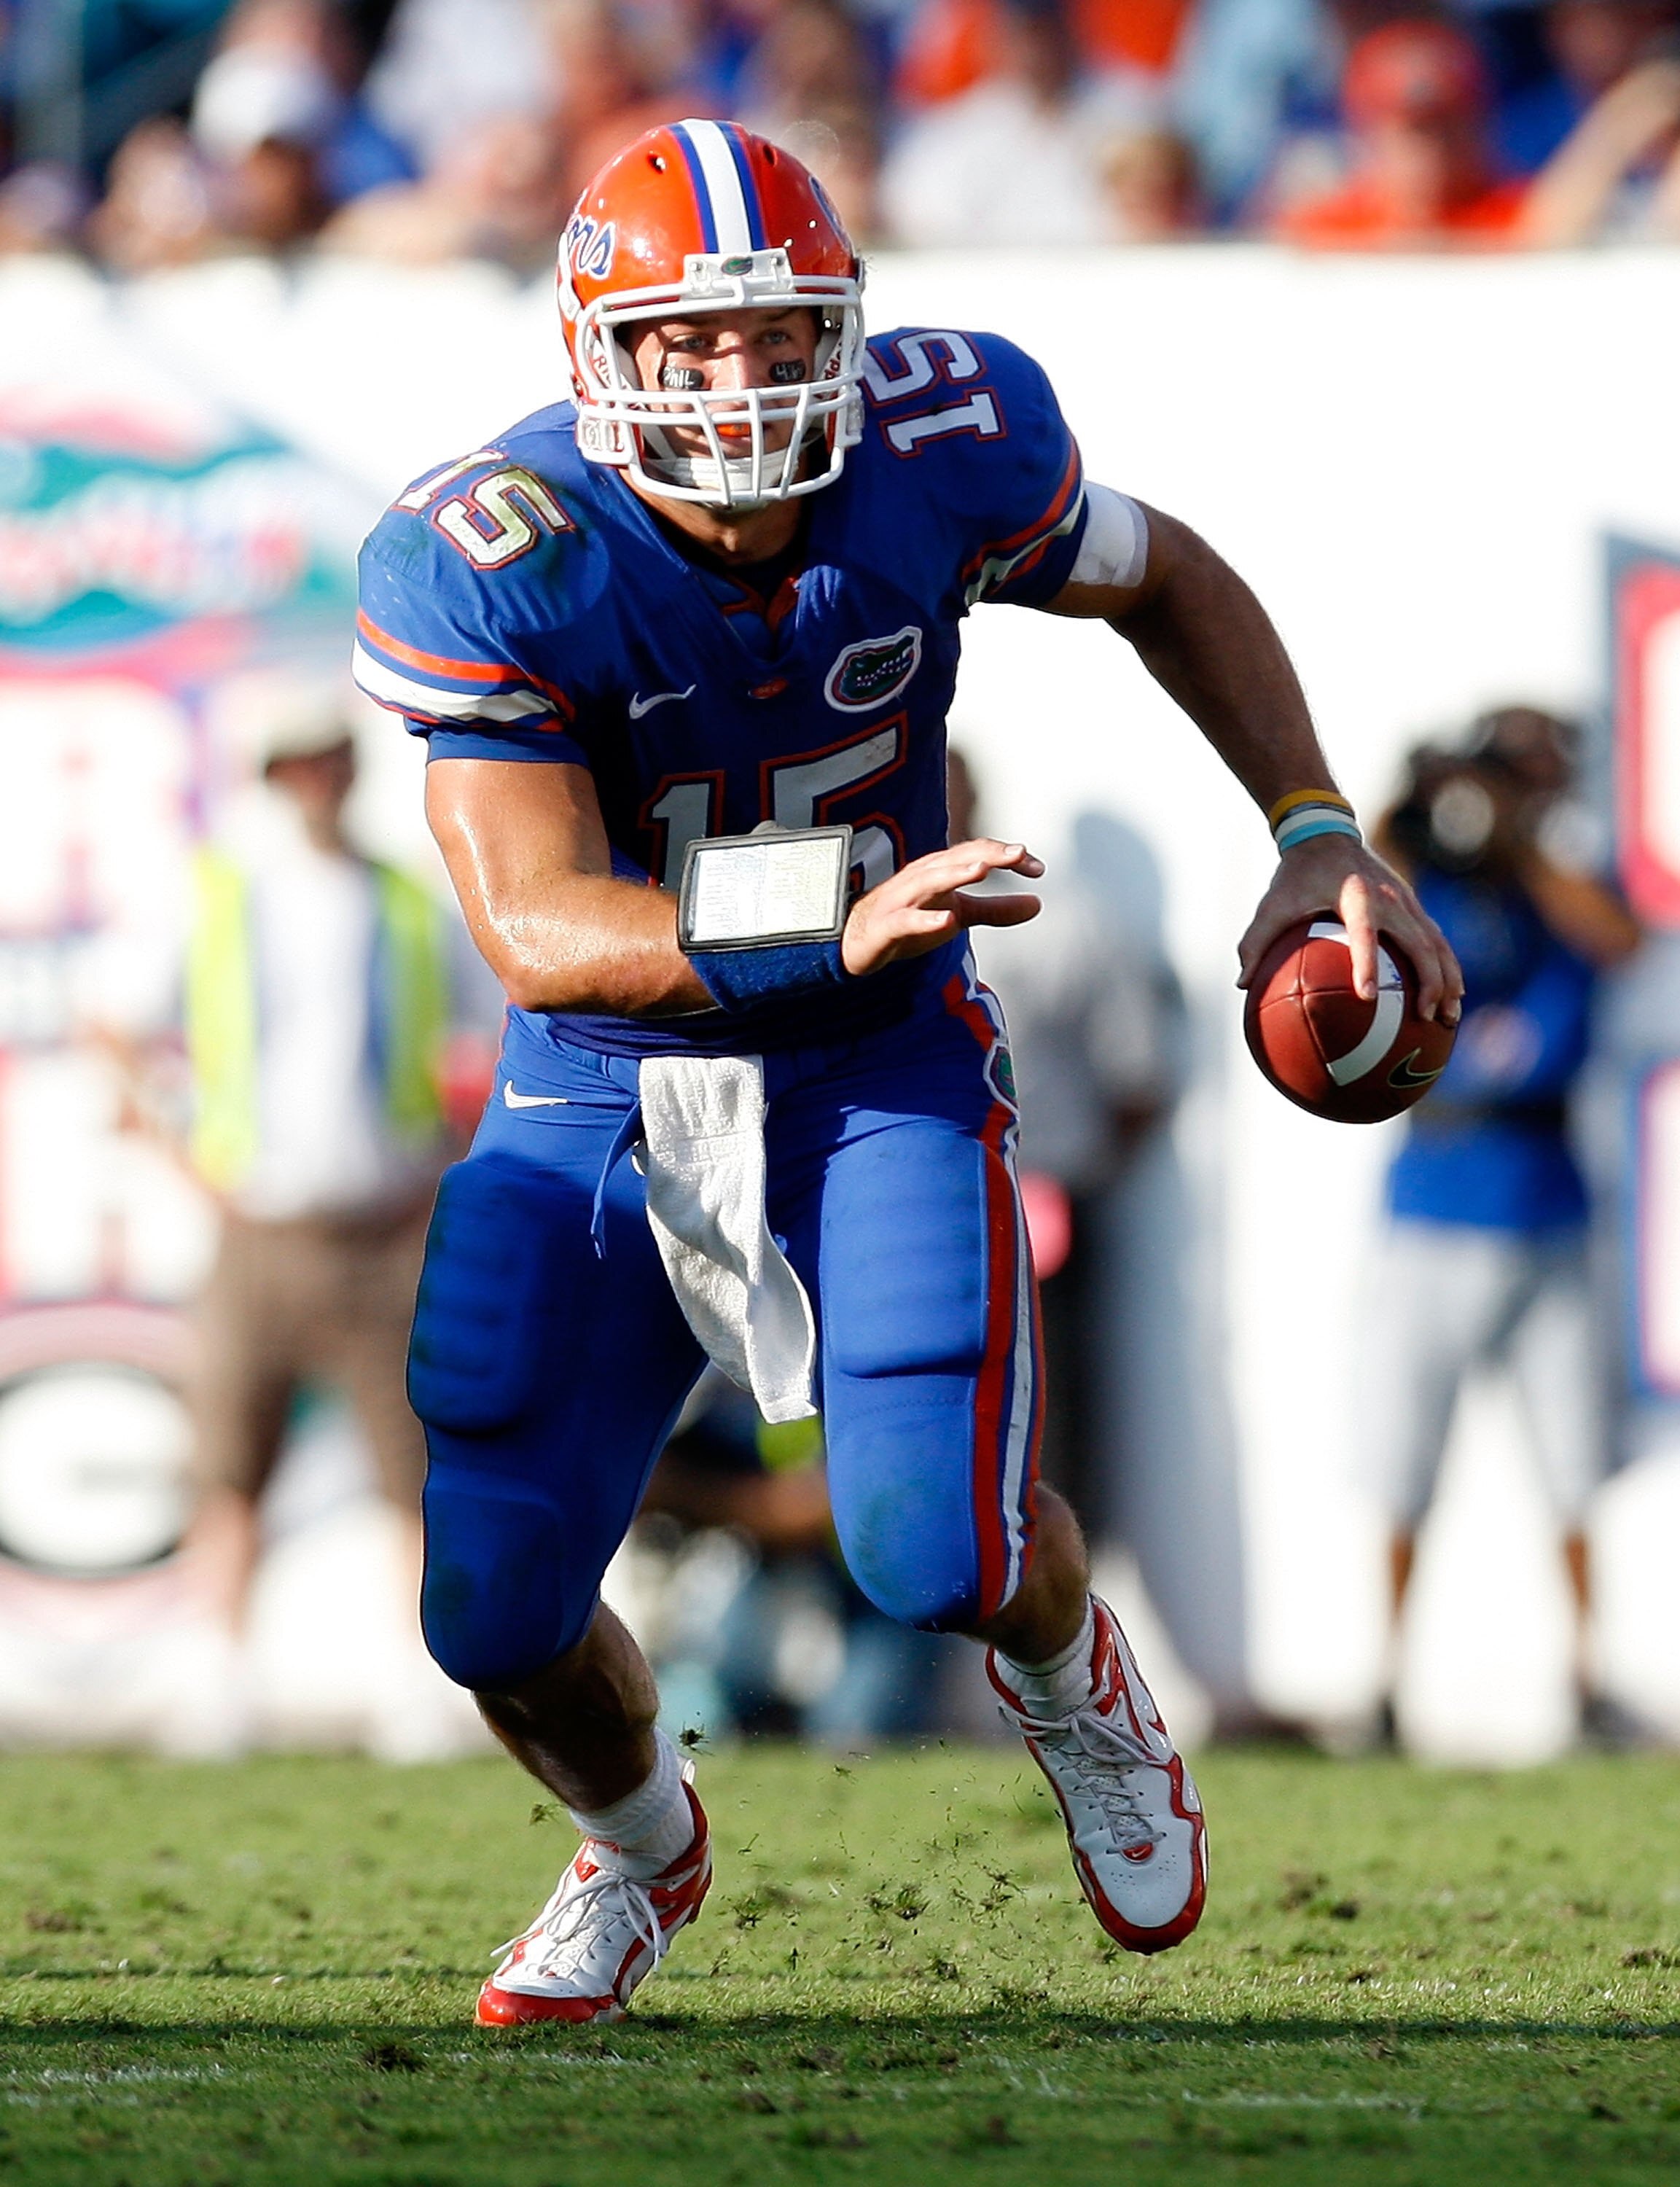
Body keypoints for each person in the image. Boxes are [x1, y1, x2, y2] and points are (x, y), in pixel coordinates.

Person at [352, 117, 1459, 2026]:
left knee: (933, 1549)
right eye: (687, 343)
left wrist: (1312, 824)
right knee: (495, 1612)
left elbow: (1165, 574)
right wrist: (820, 927)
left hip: (869, 1070)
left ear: (845, 332)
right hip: (601, 1088)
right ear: (596, 355)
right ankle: (637, 1853)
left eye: (777, 335)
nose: (740, 379)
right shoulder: (495, 558)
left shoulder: (943, 450)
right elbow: (536, 926)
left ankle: (1076, 1689)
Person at [1368, 710, 1640, 1740]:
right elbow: (1367, 880)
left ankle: (1586, 1677)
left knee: (1572, 1470)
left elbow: (1615, 940)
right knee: (1402, 1464)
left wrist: (1516, 840)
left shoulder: (1562, 888)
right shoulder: (1426, 876)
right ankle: (1386, 1684)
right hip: (1432, 1211)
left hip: (1544, 1211)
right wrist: (1410, 802)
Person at [1274, 19, 1528, 249]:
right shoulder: (1326, 229)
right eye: (1414, 128)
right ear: (1368, 130)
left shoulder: (1524, 214)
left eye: (1447, 123)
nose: (1434, 146)